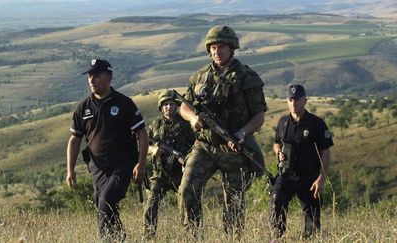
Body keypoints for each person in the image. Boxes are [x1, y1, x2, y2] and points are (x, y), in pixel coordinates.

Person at [177, 25, 267, 238]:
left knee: (233, 203)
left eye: (222, 47)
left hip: (233, 147)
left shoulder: (247, 77)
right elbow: (184, 106)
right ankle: (193, 237)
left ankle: (233, 239)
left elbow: (259, 116)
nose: (217, 51)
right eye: (214, 47)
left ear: (232, 48)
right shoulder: (199, 76)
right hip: (205, 145)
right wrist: (193, 119)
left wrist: (242, 134)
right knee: (186, 191)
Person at [65, 59, 148, 240]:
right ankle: (120, 238)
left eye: (97, 76)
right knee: (104, 206)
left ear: (109, 77)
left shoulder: (124, 103)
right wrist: (70, 170)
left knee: (105, 202)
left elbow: (142, 133)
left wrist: (141, 165)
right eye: (90, 76)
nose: (92, 80)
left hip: (122, 164)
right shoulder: (83, 108)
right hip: (97, 168)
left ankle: (105, 240)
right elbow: (74, 139)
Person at [270, 84, 333, 239]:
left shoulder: (316, 123)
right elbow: (276, 142)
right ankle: (276, 238)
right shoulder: (283, 122)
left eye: (297, 99)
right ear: (287, 101)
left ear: (305, 100)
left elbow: (326, 152)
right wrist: (279, 152)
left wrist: (321, 179)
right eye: (290, 100)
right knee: (276, 198)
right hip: (286, 175)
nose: (294, 103)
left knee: (312, 224)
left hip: (309, 178)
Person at [143, 90, 196, 238]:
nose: (168, 107)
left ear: (176, 106)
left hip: (180, 174)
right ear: (161, 107)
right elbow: (143, 145)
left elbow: (196, 146)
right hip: (160, 174)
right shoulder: (154, 125)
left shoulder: (185, 125)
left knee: (186, 205)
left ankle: (191, 236)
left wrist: (186, 160)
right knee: (151, 204)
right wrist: (153, 149)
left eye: (171, 104)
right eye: (165, 104)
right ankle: (148, 236)